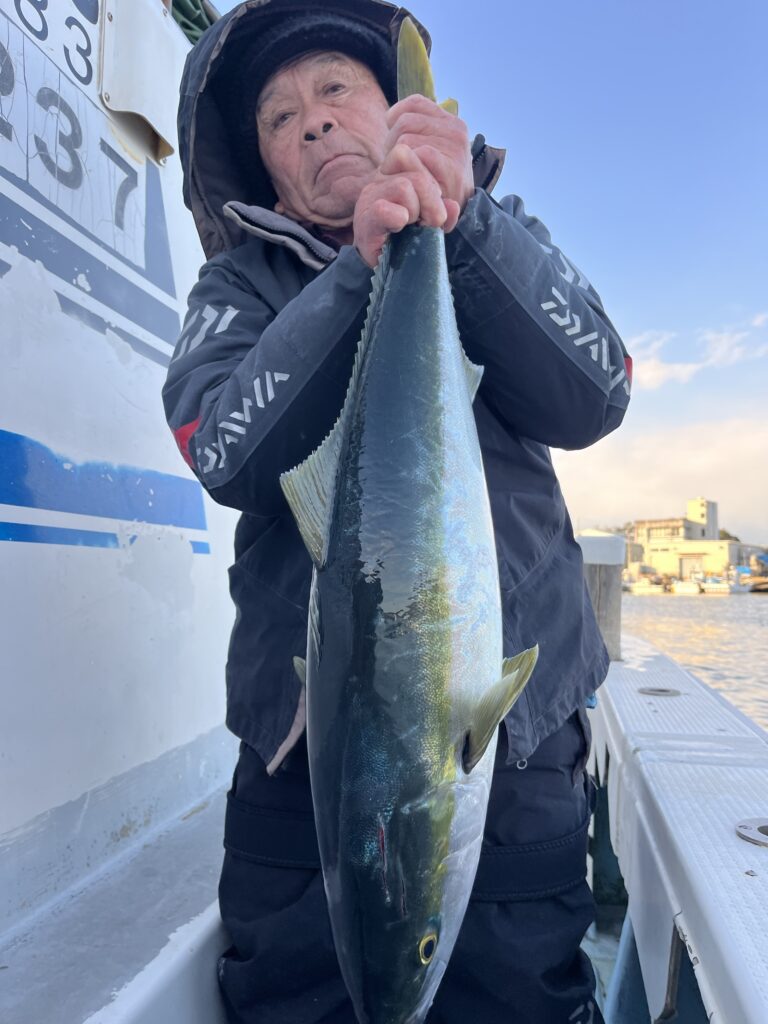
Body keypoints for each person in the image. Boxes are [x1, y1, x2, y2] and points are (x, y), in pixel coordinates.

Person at [163, 2, 631, 1021]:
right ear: (265, 164)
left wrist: (466, 227)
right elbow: (222, 447)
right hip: (303, 772)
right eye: (280, 118)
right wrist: (354, 275)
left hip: (511, 758)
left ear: (396, 108)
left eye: (336, 88)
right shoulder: (238, 285)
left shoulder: (500, 232)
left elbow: (599, 390)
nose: (315, 121)